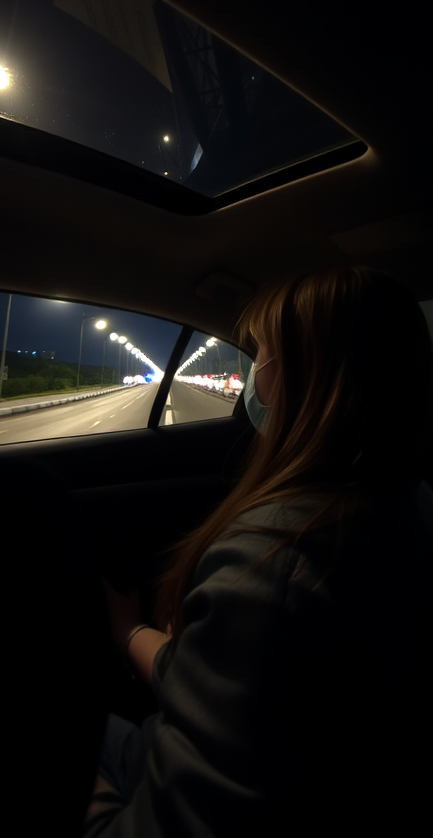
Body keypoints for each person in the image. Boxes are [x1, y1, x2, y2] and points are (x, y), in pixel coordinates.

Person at [84, 266, 433, 838]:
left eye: (263, 355)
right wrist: (130, 635)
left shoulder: (274, 562)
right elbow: (248, 698)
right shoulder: (409, 503)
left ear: (309, 379)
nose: (253, 376)